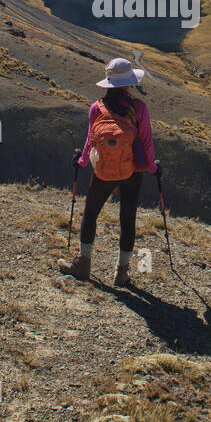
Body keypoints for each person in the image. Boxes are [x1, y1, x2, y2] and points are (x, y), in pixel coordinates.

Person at [59, 57, 159, 286]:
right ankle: (121, 273)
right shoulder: (139, 109)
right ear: (129, 83)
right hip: (132, 171)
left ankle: (83, 264)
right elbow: (146, 141)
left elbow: (91, 139)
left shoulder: (97, 108)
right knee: (127, 218)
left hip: (103, 169)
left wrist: (83, 161)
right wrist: (152, 167)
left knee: (91, 214)